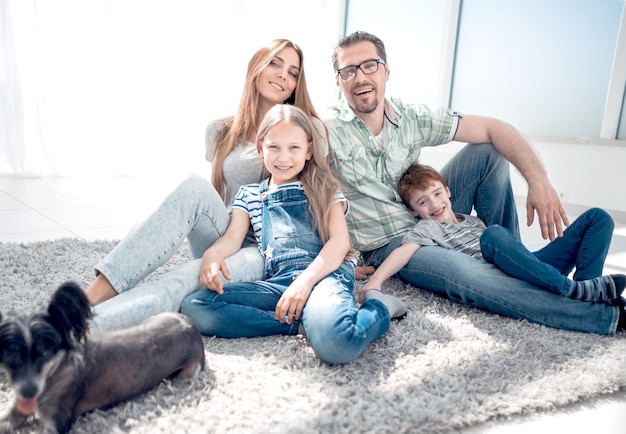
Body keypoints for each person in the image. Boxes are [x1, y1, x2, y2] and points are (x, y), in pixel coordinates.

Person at [324, 30, 625, 335]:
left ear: (386, 70)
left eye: (369, 65)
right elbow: (292, 184)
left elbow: (497, 128)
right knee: (465, 272)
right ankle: (598, 315)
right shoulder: (326, 131)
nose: (360, 77)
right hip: (391, 243)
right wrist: (338, 260)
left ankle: (519, 261)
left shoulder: (413, 118)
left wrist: (539, 181)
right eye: (348, 70)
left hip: (425, 208)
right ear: (338, 81)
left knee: (487, 149)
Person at [84, 39, 325, 333]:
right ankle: (85, 301)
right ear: (256, 66)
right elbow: (215, 194)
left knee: (180, 281)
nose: (282, 75)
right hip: (227, 233)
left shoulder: (307, 131)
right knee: (192, 186)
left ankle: (83, 329)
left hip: (265, 250)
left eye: (293, 72)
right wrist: (215, 250)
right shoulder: (219, 130)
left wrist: (335, 256)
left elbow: (323, 195)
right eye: (275, 63)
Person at [181, 104, 407, 365]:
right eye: (274, 147)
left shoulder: (326, 188)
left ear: (309, 151)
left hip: (324, 276)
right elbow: (232, 238)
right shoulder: (250, 194)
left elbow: (340, 242)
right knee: (196, 306)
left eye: (294, 148)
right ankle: (302, 324)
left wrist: (305, 283)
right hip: (280, 282)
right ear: (260, 148)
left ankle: (380, 307)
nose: (283, 157)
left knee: (338, 345)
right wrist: (212, 254)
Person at [359, 163, 626, 305]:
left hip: (532, 264)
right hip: (504, 276)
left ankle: (589, 290)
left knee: (598, 218)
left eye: (437, 194)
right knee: (495, 235)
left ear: (448, 191)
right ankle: (571, 290)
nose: (434, 205)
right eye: (423, 202)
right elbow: (403, 252)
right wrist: (375, 282)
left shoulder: (474, 220)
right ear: (414, 211)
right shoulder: (429, 227)